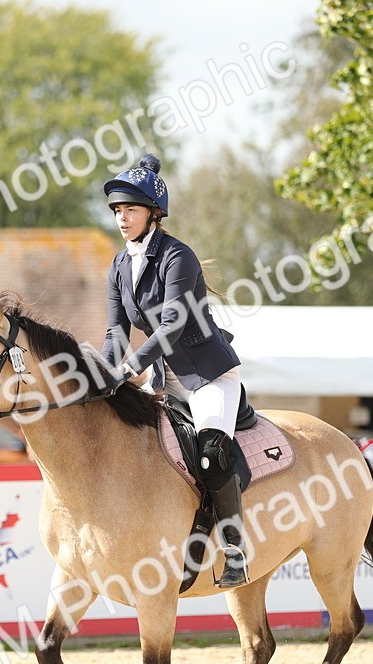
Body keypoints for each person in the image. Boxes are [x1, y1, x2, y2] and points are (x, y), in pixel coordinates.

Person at [100, 154, 250, 588]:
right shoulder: (118, 266)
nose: (121, 218)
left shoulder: (177, 256)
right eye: (116, 211)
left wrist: (130, 365)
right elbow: (115, 328)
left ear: (152, 213)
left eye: (129, 209)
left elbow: (173, 323)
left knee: (209, 454)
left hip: (207, 376)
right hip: (164, 379)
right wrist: (110, 369)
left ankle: (236, 552)